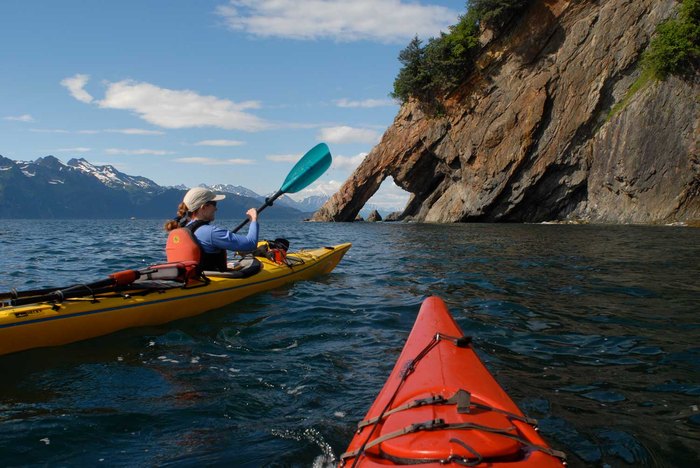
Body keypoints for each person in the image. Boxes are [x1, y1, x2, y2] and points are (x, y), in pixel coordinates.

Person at [164, 187, 258, 271]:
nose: (216, 209)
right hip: (208, 282)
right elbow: (251, 244)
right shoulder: (210, 232)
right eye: (214, 204)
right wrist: (253, 219)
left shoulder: (182, 229)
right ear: (203, 207)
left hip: (189, 279)